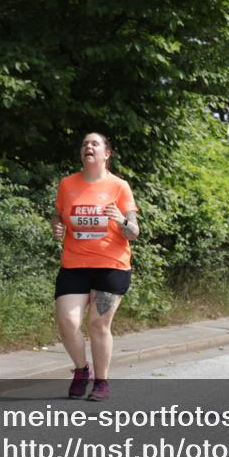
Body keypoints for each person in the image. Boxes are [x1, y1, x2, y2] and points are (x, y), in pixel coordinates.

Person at [51, 132, 139, 401]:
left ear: (106, 154)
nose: (88, 146)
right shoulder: (68, 185)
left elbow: (134, 232)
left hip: (110, 266)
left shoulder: (119, 187)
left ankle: (102, 381)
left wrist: (121, 220)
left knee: (98, 324)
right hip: (75, 265)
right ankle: (81, 370)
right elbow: (58, 213)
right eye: (84, 144)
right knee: (67, 321)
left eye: (94, 143)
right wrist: (55, 224)